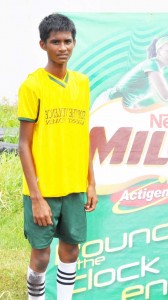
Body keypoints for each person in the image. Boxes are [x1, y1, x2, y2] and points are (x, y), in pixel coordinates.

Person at [18, 13, 98, 300]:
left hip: (74, 187)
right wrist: (37, 197)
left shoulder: (82, 83)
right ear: (43, 45)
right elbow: (23, 144)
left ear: (74, 43)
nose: (62, 47)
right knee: (41, 256)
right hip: (44, 190)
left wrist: (91, 182)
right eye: (55, 42)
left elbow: (83, 135)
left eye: (68, 41)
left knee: (71, 250)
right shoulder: (32, 86)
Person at [92, 34, 168, 111]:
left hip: (118, 106)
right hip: (109, 104)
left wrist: (138, 110)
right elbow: (166, 95)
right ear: (159, 51)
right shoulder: (152, 64)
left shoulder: (154, 68)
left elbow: (131, 93)